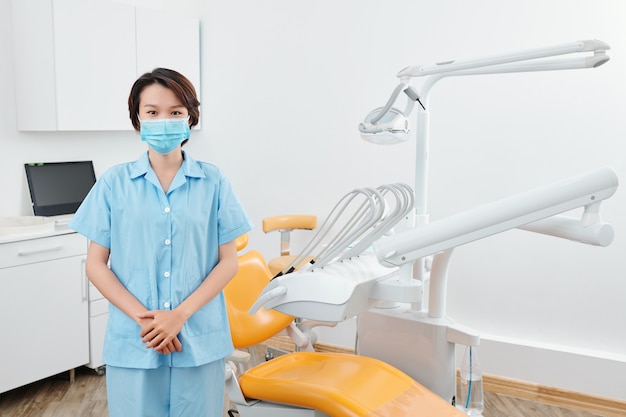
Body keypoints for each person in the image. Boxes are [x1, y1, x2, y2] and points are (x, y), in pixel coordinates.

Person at [69, 68, 253, 417]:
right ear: (138, 119)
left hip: (199, 337)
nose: (163, 120)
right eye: (152, 112)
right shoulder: (113, 183)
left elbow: (228, 261)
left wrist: (179, 316)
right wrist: (147, 321)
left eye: (175, 112)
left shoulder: (213, 182)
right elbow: (96, 264)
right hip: (135, 341)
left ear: (190, 117)